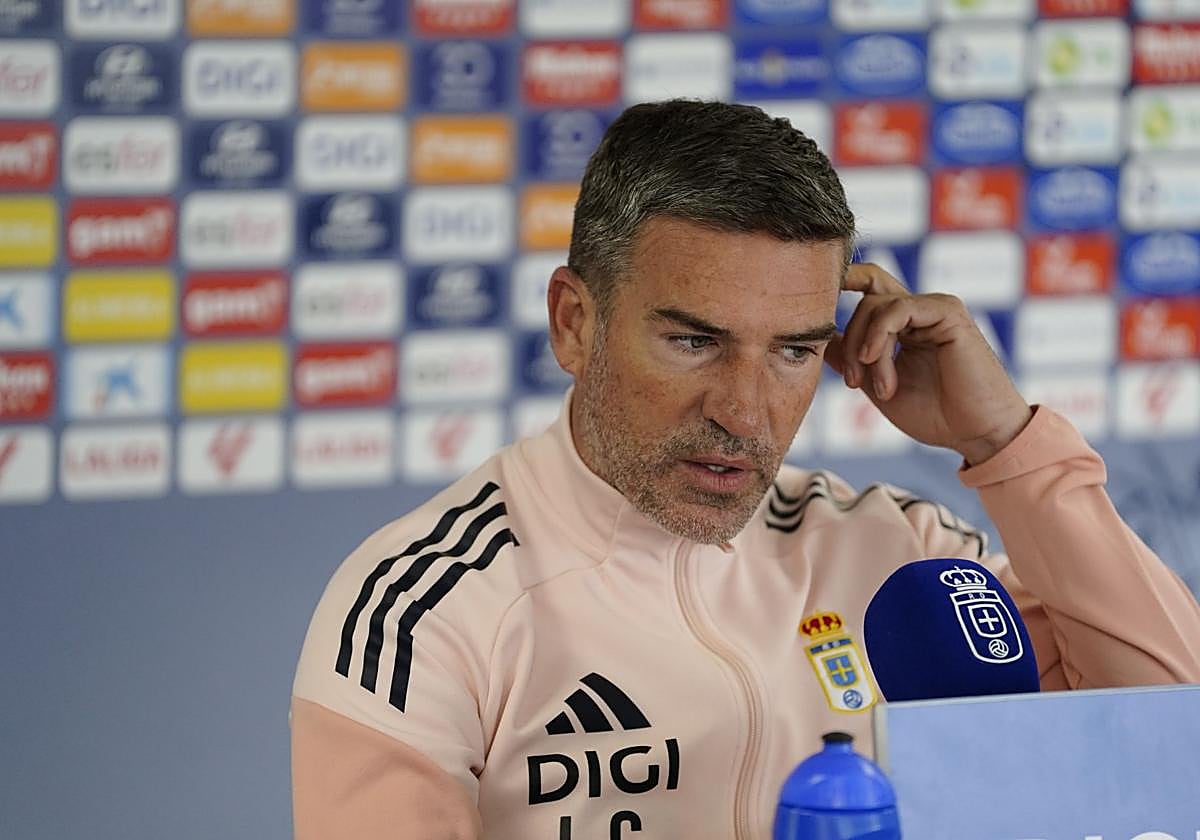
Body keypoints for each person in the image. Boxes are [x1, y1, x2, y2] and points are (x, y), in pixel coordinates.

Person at [290, 100, 1200, 840]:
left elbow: (1165, 753)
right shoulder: (422, 607)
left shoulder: (904, 558)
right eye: (694, 341)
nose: (746, 412)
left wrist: (1006, 446)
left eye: (795, 351)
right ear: (575, 322)